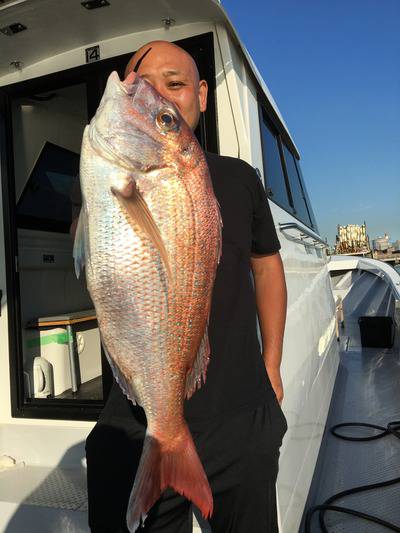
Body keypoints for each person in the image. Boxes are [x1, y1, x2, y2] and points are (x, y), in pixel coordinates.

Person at [71, 40, 288, 533]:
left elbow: (267, 267)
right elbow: (89, 253)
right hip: (137, 415)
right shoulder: (102, 176)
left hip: (240, 411)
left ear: (202, 95)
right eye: (142, 83)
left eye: (175, 86)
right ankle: (164, 440)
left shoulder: (239, 178)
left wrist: (272, 365)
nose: (156, 94)